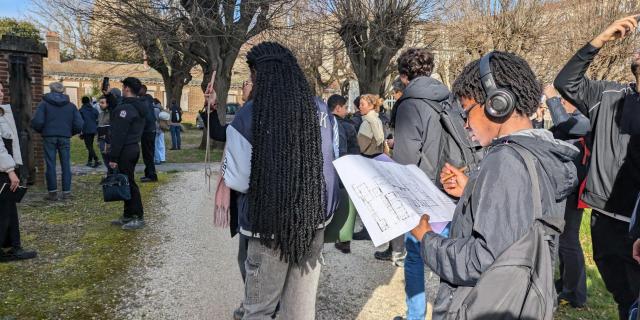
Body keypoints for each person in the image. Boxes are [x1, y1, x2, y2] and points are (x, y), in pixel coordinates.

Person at [411, 51, 578, 319]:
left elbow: (483, 260)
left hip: (481, 305)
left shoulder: (506, 161)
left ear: (497, 103)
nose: (465, 124)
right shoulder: (538, 151)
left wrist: (427, 239)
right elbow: (519, 223)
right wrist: (473, 189)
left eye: (467, 112)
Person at [223, 42, 339, 320]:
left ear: (258, 75)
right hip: (313, 222)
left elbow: (238, 180)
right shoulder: (323, 111)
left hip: (267, 225)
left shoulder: (249, 115)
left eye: (252, 77)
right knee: (300, 312)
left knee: (259, 309)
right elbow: (333, 161)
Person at [554, 15, 640, 319]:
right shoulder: (608, 96)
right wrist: (599, 40)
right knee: (623, 299)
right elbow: (565, 82)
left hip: (637, 222)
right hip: (604, 221)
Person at [391, 48, 450, 320]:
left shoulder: (409, 103)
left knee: (415, 255)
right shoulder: (447, 99)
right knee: (448, 257)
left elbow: (405, 162)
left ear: (404, 76)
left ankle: (415, 316)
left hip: (421, 194)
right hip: (450, 188)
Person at [544, 84, 590, 308]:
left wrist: (552, 99)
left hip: (575, 190)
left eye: (563, 100)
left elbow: (565, 126)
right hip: (566, 186)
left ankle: (576, 294)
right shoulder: (571, 121)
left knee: (569, 241)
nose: (561, 103)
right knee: (564, 240)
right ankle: (566, 284)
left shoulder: (585, 119)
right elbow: (554, 133)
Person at [0, 82, 37, 262]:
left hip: (4, 166)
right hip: (2, 169)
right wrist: (10, 170)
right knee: (5, 208)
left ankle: (12, 245)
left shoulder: (2, 112)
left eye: (1, 90)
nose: (1, 93)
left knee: (8, 207)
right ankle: (13, 247)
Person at [31, 82, 83, 201]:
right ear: (62, 91)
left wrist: (43, 131)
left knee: (50, 164)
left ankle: (52, 193)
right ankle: (66, 193)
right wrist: (69, 132)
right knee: (66, 164)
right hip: (64, 136)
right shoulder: (71, 106)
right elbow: (79, 124)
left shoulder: (44, 104)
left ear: (50, 90)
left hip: (49, 136)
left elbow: (37, 121)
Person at [375, 77, 407, 266]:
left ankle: (397, 250)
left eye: (395, 92)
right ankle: (395, 249)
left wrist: (394, 143)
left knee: (396, 211)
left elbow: (405, 138)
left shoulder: (404, 106)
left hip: (400, 166)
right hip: (406, 164)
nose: (394, 96)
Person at [109, 77, 146, 230]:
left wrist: (113, 157)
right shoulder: (137, 106)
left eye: (123, 87)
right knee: (126, 181)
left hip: (126, 148)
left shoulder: (126, 109)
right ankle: (128, 214)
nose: (122, 89)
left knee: (129, 183)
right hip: (132, 147)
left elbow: (119, 134)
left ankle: (138, 216)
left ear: (127, 88)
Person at [329, 94, 359, 254]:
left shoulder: (322, 123)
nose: (347, 110)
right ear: (338, 107)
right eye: (345, 107)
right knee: (346, 205)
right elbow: (355, 151)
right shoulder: (348, 126)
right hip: (346, 169)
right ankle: (344, 240)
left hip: (326, 170)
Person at [138, 85, 157, 182]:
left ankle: (151, 175)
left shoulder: (143, 101)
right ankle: (149, 173)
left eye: (139, 89)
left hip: (147, 131)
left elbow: (147, 118)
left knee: (148, 154)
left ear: (143, 90)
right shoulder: (148, 101)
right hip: (151, 130)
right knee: (149, 154)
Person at [79, 96, 100, 168]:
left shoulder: (81, 110)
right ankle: (89, 161)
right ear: (89, 101)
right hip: (94, 129)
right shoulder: (94, 110)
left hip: (86, 130)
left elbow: (80, 122)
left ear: (82, 102)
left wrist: (80, 132)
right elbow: (98, 118)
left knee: (89, 146)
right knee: (90, 146)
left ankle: (96, 159)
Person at [153, 99, 167, 165]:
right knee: (161, 144)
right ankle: (162, 158)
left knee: (156, 144)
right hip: (162, 128)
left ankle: (157, 159)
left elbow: (155, 119)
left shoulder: (155, 109)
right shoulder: (161, 109)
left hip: (157, 129)